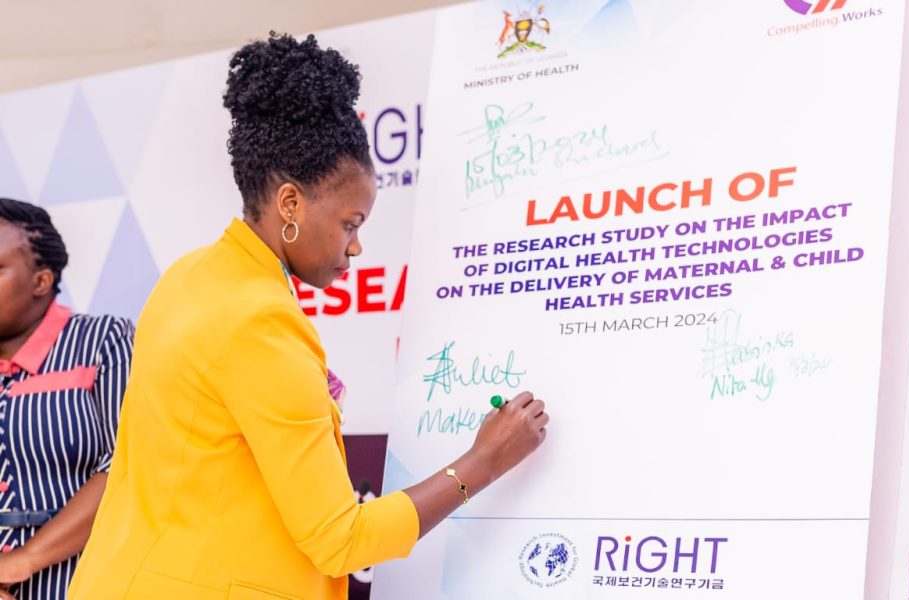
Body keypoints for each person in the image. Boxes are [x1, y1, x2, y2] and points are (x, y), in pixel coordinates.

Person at [68, 33, 548, 600]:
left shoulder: (189, 275)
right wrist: (483, 461)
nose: (355, 247)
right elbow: (341, 539)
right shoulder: (259, 320)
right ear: (291, 204)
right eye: (350, 223)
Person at [0, 198, 134, 600]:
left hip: (82, 582)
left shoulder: (103, 340)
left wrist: (23, 560)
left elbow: (129, 463)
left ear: (41, 281)